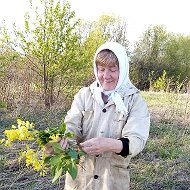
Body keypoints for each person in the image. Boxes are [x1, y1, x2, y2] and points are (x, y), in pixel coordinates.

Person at [61, 42, 150, 190]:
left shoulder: (134, 100)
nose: (105, 76)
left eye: (112, 70)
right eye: (101, 69)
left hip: (112, 181)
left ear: (122, 70)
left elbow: (136, 141)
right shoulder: (84, 95)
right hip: (80, 179)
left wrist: (109, 144)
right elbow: (71, 126)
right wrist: (61, 141)